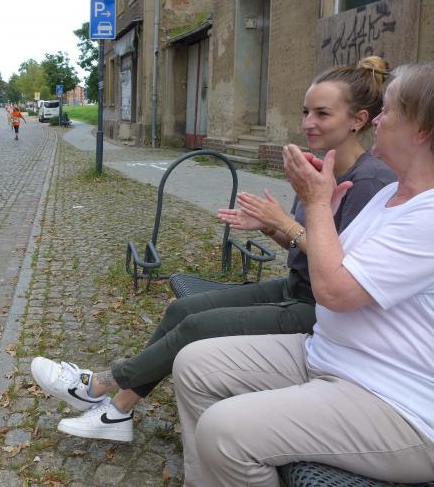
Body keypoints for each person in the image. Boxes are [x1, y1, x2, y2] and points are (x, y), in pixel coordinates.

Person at [30, 57, 397, 443]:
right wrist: (271, 227)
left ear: (357, 120)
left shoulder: (370, 182)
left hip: (323, 311)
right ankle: (118, 413)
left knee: (196, 327)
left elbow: (346, 269)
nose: (308, 122)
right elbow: (303, 247)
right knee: (181, 309)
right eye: (305, 112)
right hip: (296, 287)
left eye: (322, 113)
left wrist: (286, 224)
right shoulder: (320, 169)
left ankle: (97, 386)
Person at [173, 61, 434, 486]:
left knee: (226, 432)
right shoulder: (390, 193)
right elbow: (340, 262)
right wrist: (320, 212)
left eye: (388, 111)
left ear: (421, 129)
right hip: (329, 355)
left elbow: (334, 291)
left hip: (397, 400)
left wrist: (314, 205)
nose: (378, 120)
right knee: (194, 365)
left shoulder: (428, 214)